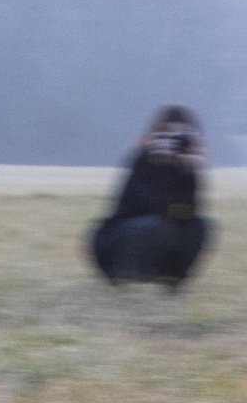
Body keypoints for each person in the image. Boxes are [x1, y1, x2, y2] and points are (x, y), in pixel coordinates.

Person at [88, 105, 214, 289]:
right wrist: (160, 164)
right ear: (156, 136)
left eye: (183, 136)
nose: (176, 142)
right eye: (169, 134)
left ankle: (171, 282)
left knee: (200, 225)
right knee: (155, 225)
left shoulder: (187, 168)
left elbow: (188, 213)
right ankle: (126, 280)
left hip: (154, 240)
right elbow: (149, 205)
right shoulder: (143, 159)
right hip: (119, 244)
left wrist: (192, 172)